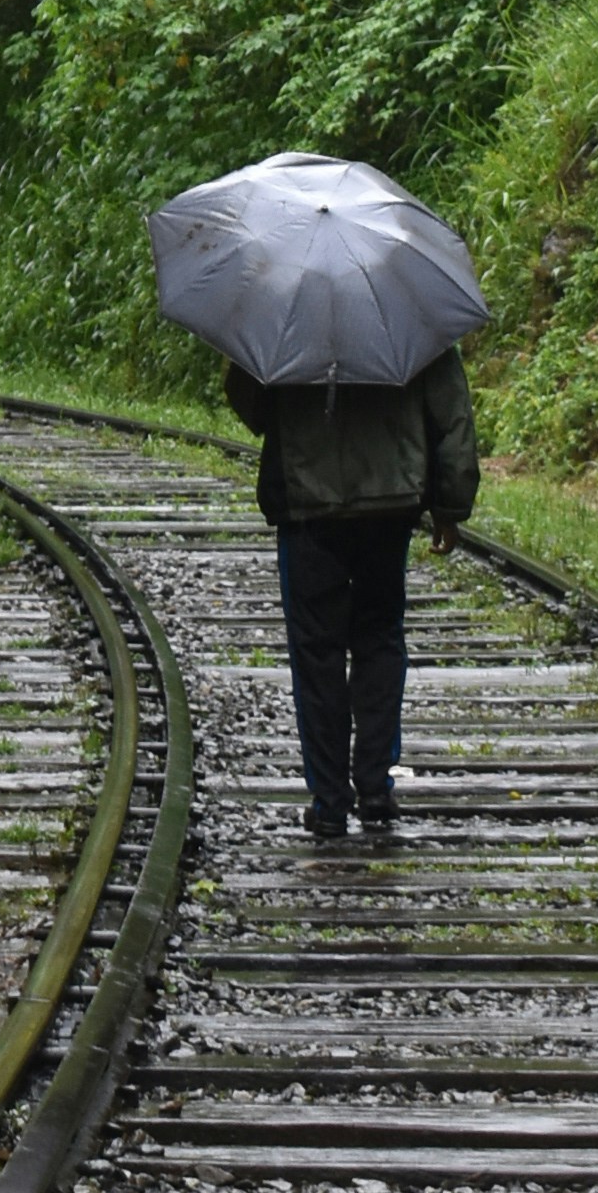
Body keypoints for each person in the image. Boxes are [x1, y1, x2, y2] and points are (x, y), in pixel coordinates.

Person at [227, 340, 479, 840]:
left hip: (307, 504)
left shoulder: (281, 314)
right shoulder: (409, 308)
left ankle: (329, 802)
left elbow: (252, 407)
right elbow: (452, 416)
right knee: (380, 638)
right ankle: (375, 787)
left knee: (316, 652)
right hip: (390, 502)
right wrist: (450, 503)